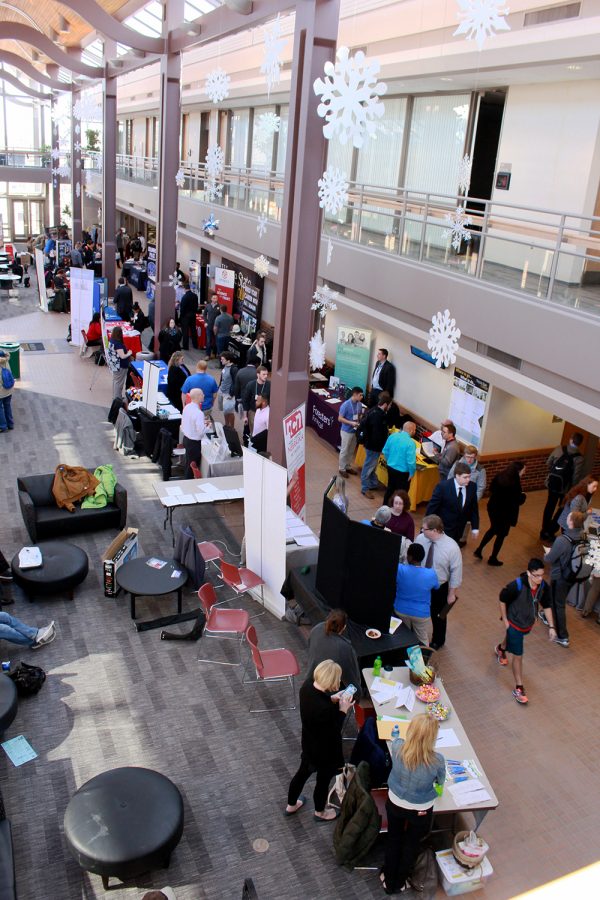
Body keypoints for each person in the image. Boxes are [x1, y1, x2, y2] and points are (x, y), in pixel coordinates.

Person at [381, 714, 445, 894]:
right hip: (420, 808)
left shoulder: (398, 747)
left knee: (394, 838)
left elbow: (395, 739)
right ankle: (400, 882)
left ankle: (389, 880)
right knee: (411, 844)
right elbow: (440, 783)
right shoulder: (437, 760)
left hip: (395, 802)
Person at [285, 660, 354, 822]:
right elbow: (334, 728)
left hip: (309, 745)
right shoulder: (326, 710)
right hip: (326, 753)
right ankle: (320, 812)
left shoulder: (307, 687)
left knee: (301, 775)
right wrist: (343, 710)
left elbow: (319, 703)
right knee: (322, 782)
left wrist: (332, 699)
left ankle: (291, 805)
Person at [495, 558, 555, 704]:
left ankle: (501, 648)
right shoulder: (516, 585)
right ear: (529, 573)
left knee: (513, 640)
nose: (540, 579)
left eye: (542, 575)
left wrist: (552, 627)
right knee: (518, 656)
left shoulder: (543, 587)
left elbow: (546, 605)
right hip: (514, 624)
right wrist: (506, 621)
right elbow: (502, 599)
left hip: (527, 624)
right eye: (536, 575)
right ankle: (519, 688)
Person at [414, 515, 462, 651]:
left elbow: (456, 572)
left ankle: (438, 640)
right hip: (421, 582)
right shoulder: (421, 539)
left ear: (435, 530)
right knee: (417, 610)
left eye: (424, 529)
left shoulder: (452, 547)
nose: (421, 531)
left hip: (439, 587)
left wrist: (452, 594)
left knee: (438, 616)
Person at [543, 510, 586, 648]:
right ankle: (547, 615)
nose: (566, 517)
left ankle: (562, 636)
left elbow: (549, 559)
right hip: (573, 575)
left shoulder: (562, 540)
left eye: (568, 517)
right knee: (556, 597)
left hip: (559, 576)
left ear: (571, 522)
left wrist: (548, 553)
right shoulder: (583, 535)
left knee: (559, 604)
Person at [474, 461, 526, 566]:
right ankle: (493, 558)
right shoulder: (515, 483)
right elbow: (518, 500)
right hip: (505, 513)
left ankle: (479, 550)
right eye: (524, 470)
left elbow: (491, 488)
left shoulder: (500, 475)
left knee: (493, 529)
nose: (524, 472)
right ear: (517, 470)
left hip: (493, 508)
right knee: (501, 535)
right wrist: (523, 496)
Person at [304, 610, 362, 700]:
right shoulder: (344, 648)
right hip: (328, 691)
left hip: (310, 680)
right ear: (344, 627)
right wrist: (358, 693)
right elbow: (352, 679)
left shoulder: (317, 628)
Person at [540, 432, 584, 540]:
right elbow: (575, 477)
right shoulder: (579, 458)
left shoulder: (559, 449)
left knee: (549, 506)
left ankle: (544, 530)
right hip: (565, 488)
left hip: (552, 483)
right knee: (562, 509)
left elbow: (548, 463)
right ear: (580, 443)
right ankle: (551, 530)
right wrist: (572, 490)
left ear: (571, 439)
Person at [394, 544, 439, 646]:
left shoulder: (400, 569)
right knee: (422, 638)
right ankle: (422, 659)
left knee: (402, 637)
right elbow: (437, 587)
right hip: (421, 613)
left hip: (401, 610)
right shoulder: (431, 574)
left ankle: (402, 658)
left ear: (410, 557)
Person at [426, 461, 480, 545]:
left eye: (469, 476)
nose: (468, 480)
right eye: (465, 477)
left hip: (459, 531)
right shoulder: (443, 487)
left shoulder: (472, 487)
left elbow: (474, 509)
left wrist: (475, 528)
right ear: (457, 476)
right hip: (442, 529)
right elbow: (432, 508)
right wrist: (426, 527)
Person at [359, 391, 391, 499]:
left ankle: (373, 483)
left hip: (370, 444)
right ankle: (365, 488)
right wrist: (382, 447)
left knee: (372, 465)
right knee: (368, 466)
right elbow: (377, 434)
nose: (390, 407)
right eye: (389, 405)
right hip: (374, 446)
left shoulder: (373, 410)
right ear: (385, 404)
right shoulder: (379, 416)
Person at [382, 421, 417, 504]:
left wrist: (389, 461)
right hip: (403, 473)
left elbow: (385, 451)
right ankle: (398, 512)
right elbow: (411, 462)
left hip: (390, 468)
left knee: (390, 489)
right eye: (415, 430)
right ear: (411, 430)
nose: (415, 432)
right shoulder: (411, 443)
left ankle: (384, 508)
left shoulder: (393, 436)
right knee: (401, 495)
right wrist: (411, 473)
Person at [337, 386, 364, 478]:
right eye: (360, 395)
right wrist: (350, 423)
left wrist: (359, 419)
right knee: (344, 450)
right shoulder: (346, 405)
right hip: (346, 431)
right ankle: (342, 468)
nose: (361, 397)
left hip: (354, 431)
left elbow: (359, 415)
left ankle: (348, 466)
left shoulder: (359, 405)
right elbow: (340, 418)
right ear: (355, 394)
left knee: (351, 450)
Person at [181, 388, 206, 478]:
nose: (204, 396)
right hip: (194, 443)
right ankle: (188, 484)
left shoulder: (187, 407)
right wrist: (207, 427)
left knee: (188, 464)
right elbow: (201, 433)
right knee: (191, 468)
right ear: (198, 396)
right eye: (202, 394)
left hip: (186, 439)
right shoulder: (199, 413)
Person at [242, 365, 270, 433]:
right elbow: (245, 400)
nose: (266, 376)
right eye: (263, 374)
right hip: (253, 412)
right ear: (258, 374)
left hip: (265, 412)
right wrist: (245, 416)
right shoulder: (251, 385)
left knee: (264, 432)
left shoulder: (270, 385)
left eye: (266, 374)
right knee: (254, 432)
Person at [108, 325, 133, 399]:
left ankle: (116, 396)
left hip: (114, 364)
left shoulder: (111, 341)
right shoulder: (118, 344)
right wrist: (129, 353)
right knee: (119, 383)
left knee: (116, 381)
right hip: (120, 366)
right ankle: (117, 398)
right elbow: (122, 356)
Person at [217, 351, 238, 428]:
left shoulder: (234, 369)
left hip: (228, 394)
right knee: (225, 411)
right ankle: (226, 425)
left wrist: (231, 394)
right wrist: (219, 387)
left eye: (222, 359)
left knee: (230, 412)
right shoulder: (225, 366)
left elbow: (236, 383)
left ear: (228, 360)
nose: (221, 360)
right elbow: (222, 378)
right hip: (221, 392)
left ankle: (232, 428)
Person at [179, 284, 199, 351]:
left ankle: (185, 346)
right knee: (193, 330)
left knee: (185, 331)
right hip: (193, 315)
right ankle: (195, 344)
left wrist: (181, 316)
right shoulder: (195, 296)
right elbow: (196, 306)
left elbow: (182, 308)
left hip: (185, 317)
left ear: (185, 288)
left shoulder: (184, 297)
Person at [0, 355, 15, 432]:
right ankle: (10, 424)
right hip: (9, 390)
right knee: (7, 406)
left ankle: (3, 426)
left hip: (1, 392)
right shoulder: (6, 360)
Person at [204, 291, 220, 357]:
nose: (215, 299)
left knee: (216, 341)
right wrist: (206, 322)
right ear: (211, 299)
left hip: (216, 327)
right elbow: (204, 314)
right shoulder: (208, 306)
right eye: (213, 298)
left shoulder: (219, 307)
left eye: (216, 298)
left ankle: (214, 354)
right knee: (208, 341)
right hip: (209, 326)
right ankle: (208, 355)